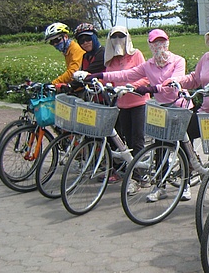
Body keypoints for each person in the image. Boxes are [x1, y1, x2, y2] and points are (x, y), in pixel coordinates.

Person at [76, 29, 201, 202]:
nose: (159, 46)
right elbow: (125, 74)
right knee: (160, 147)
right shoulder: (148, 65)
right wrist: (98, 75)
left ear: (167, 42)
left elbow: (175, 81)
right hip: (161, 109)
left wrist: (152, 88)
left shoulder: (177, 61)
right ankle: (160, 185)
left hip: (180, 108)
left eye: (162, 42)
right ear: (150, 45)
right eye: (155, 43)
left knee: (183, 147)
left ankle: (185, 184)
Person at [103, 26, 149, 158]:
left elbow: (146, 77)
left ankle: (140, 172)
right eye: (114, 37)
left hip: (138, 102)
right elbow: (109, 78)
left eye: (121, 36)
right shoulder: (111, 59)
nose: (118, 40)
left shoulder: (136, 54)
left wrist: (131, 87)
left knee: (138, 138)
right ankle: (131, 168)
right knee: (127, 137)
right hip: (122, 104)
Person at [45, 22, 85, 87]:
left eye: (57, 40)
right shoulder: (67, 51)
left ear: (65, 37)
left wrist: (53, 83)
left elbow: (73, 72)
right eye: (52, 42)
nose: (55, 44)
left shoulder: (75, 49)